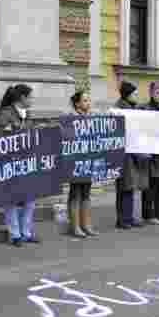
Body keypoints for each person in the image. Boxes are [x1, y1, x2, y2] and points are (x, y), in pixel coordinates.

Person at [0, 84, 40, 247]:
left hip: (26, 162)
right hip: (10, 162)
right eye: (31, 97)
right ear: (22, 98)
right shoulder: (5, 114)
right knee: (11, 199)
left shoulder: (28, 114)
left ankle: (26, 232)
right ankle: (15, 234)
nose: (32, 100)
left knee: (29, 199)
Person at [115, 81, 149, 229]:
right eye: (135, 93)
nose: (137, 95)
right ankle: (123, 219)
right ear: (127, 95)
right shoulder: (120, 109)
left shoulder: (134, 108)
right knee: (124, 187)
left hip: (133, 152)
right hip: (124, 153)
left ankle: (129, 217)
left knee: (130, 186)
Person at [65, 90, 98, 238]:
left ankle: (86, 224)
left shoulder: (91, 118)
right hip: (75, 161)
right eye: (85, 100)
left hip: (88, 160)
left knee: (86, 194)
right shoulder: (70, 118)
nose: (88, 103)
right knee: (75, 194)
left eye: (89, 100)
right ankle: (75, 226)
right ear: (77, 104)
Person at [141, 82, 159, 225]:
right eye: (157, 92)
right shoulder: (145, 108)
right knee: (150, 186)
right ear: (151, 93)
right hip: (151, 152)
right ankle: (148, 214)